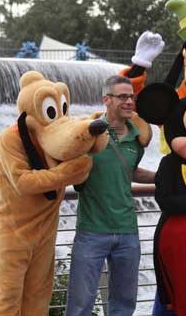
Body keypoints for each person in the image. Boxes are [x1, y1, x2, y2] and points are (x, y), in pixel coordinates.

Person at [65, 75, 156, 316]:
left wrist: (161, 177)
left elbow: (130, 171)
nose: (129, 102)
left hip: (128, 231)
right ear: (106, 99)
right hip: (91, 231)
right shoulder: (89, 134)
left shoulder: (137, 140)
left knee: (124, 305)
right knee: (80, 304)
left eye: (131, 97)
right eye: (123, 96)